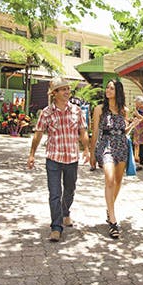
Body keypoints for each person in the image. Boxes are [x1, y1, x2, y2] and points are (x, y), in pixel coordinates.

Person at [27, 78, 91, 243]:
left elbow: (82, 132)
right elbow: (38, 134)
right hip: (53, 158)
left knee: (69, 190)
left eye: (67, 89)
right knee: (55, 193)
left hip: (72, 158)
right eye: (62, 89)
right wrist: (32, 154)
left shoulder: (77, 111)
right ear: (54, 93)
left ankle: (65, 211)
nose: (66, 92)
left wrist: (88, 150)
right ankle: (56, 227)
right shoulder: (46, 113)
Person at [90, 80, 139, 239]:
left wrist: (133, 126)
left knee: (118, 181)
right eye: (107, 87)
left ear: (118, 91)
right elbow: (96, 132)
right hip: (106, 146)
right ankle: (112, 221)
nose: (108, 90)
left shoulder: (123, 110)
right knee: (109, 180)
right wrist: (92, 153)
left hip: (121, 146)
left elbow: (123, 131)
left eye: (112, 88)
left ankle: (109, 208)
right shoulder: (99, 109)